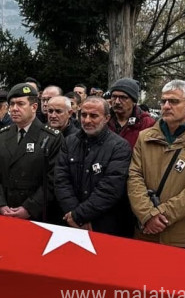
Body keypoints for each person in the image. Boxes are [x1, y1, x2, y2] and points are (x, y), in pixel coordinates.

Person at [127, 80, 185, 250]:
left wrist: (161, 215)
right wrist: (147, 215)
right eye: (163, 101)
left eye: (174, 101)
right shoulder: (145, 137)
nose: (166, 106)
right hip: (146, 233)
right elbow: (134, 177)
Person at [54, 97, 134, 237]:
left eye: (94, 116)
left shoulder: (119, 147)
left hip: (104, 225)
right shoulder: (69, 142)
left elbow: (111, 188)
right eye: (83, 115)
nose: (87, 120)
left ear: (107, 118)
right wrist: (74, 216)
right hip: (70, 221)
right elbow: (61, 180)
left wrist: (80, 215)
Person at [0, 83, 64, 222]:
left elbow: (53, 180)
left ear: (34, 107)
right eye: (12, 104)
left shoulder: (51, 138)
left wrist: (29, 208)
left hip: (37, 215)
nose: (14, 109)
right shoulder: (1, 137)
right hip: (5, 211)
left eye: (21, 104)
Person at [107, 78, 155, 148]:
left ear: (134, 101)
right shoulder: (104, 120)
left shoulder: (146, 124)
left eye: (123, 97)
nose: (117, 102)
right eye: (114, 96)